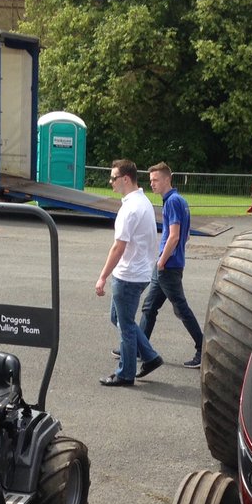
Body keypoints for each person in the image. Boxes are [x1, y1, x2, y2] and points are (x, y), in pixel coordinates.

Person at [95, 160, 161, 387]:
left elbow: (119, 246)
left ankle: (125, 374)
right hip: (139, 272)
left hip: (129, 274)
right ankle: (150, 357)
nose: (111, 182)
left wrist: (103, 276)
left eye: (113, 178)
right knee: (120, 319)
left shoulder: (130, 208)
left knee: (125, 327)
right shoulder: (142, 202)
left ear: (125, 179)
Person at [139, 162, 203, 368]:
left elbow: (174, 236)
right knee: (149, 307)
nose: (152, 185)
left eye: (156, 180)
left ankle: (203, 348)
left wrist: (162, 260)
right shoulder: (180, 201)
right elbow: (187, 236)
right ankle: (140, 348)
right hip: (168, 265)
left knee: (181, 309)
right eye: (151, 181)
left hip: (167, 266)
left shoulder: (173, 202)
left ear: (167, 179)